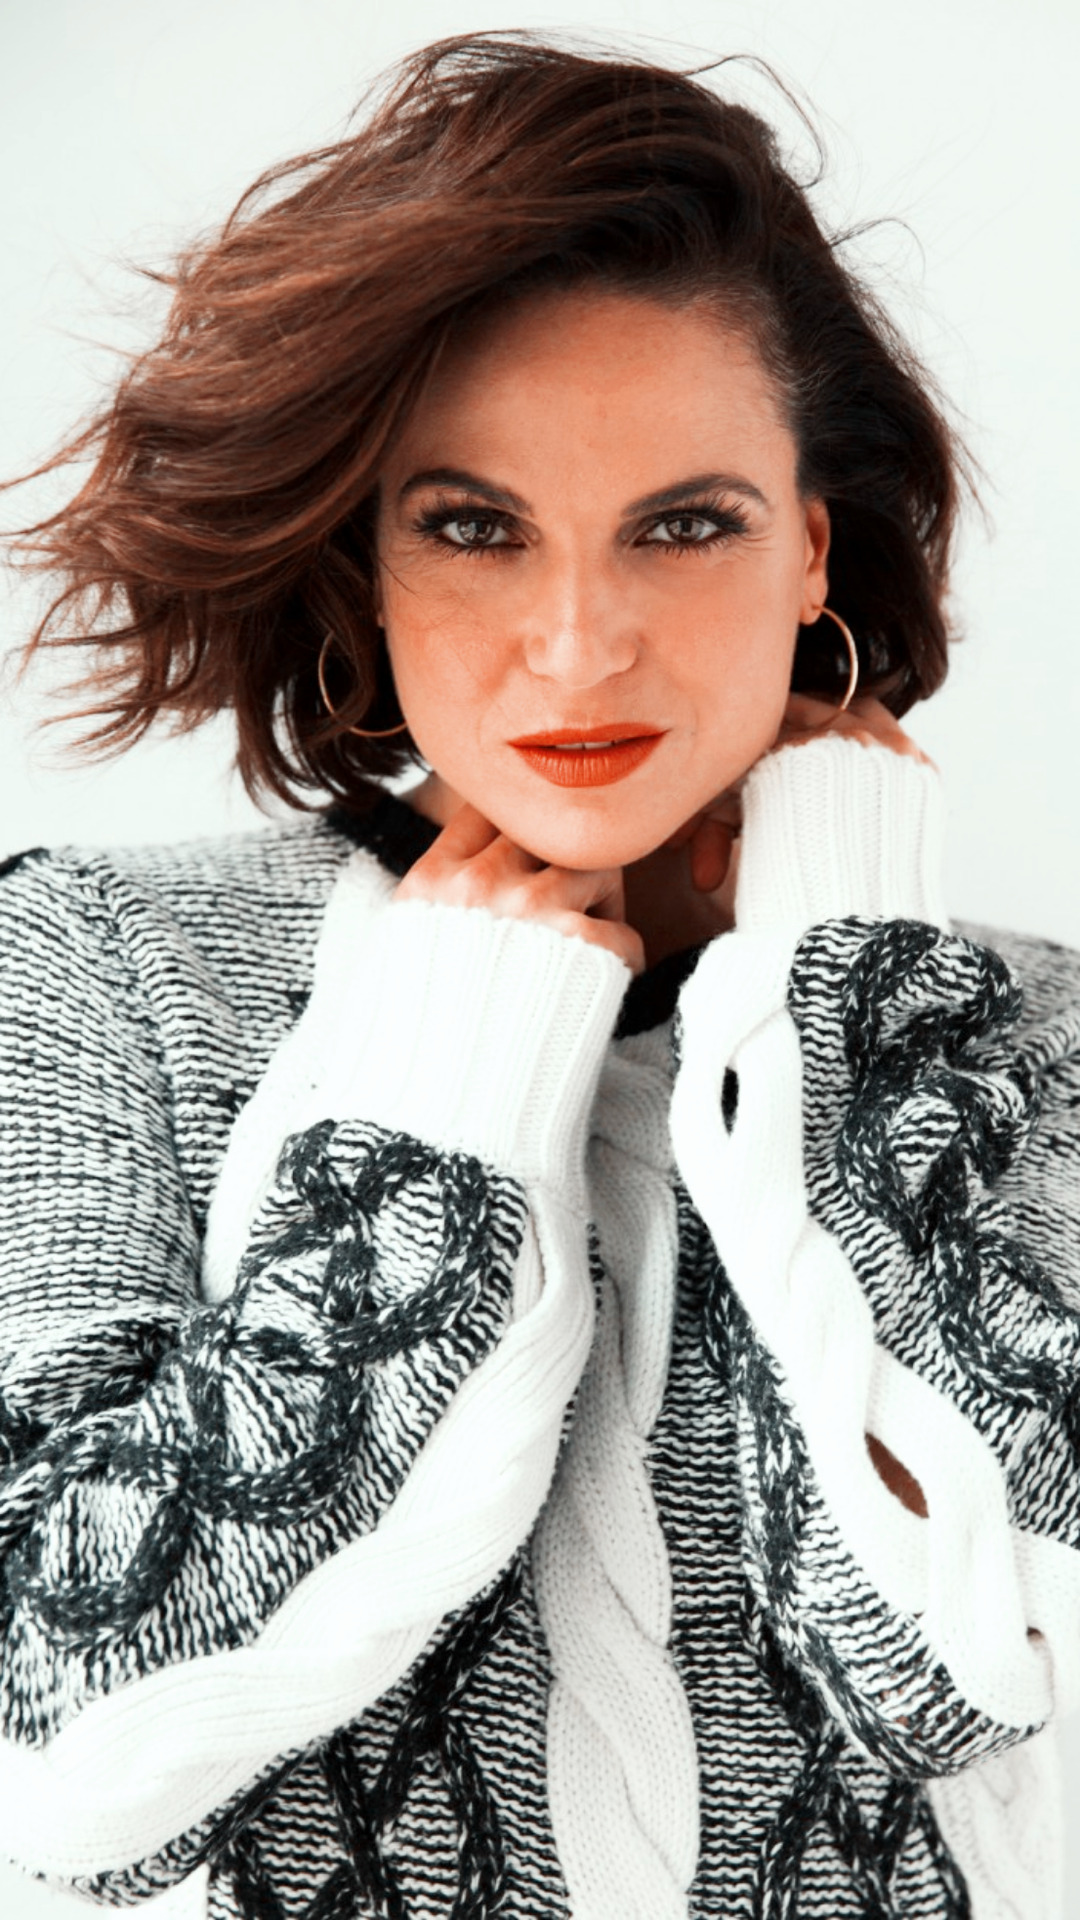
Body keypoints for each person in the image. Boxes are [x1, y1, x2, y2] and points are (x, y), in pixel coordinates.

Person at [1, 26, 1078, 1920]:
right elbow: (58, 1758)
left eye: (686, 525)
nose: (578, 646)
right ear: (368, 557)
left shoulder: (1022, 1031)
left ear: (810, 553)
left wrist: (841, 1010)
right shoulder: (106, 969)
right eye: (475, 528)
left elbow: (957, 1663)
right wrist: (442, 1116)